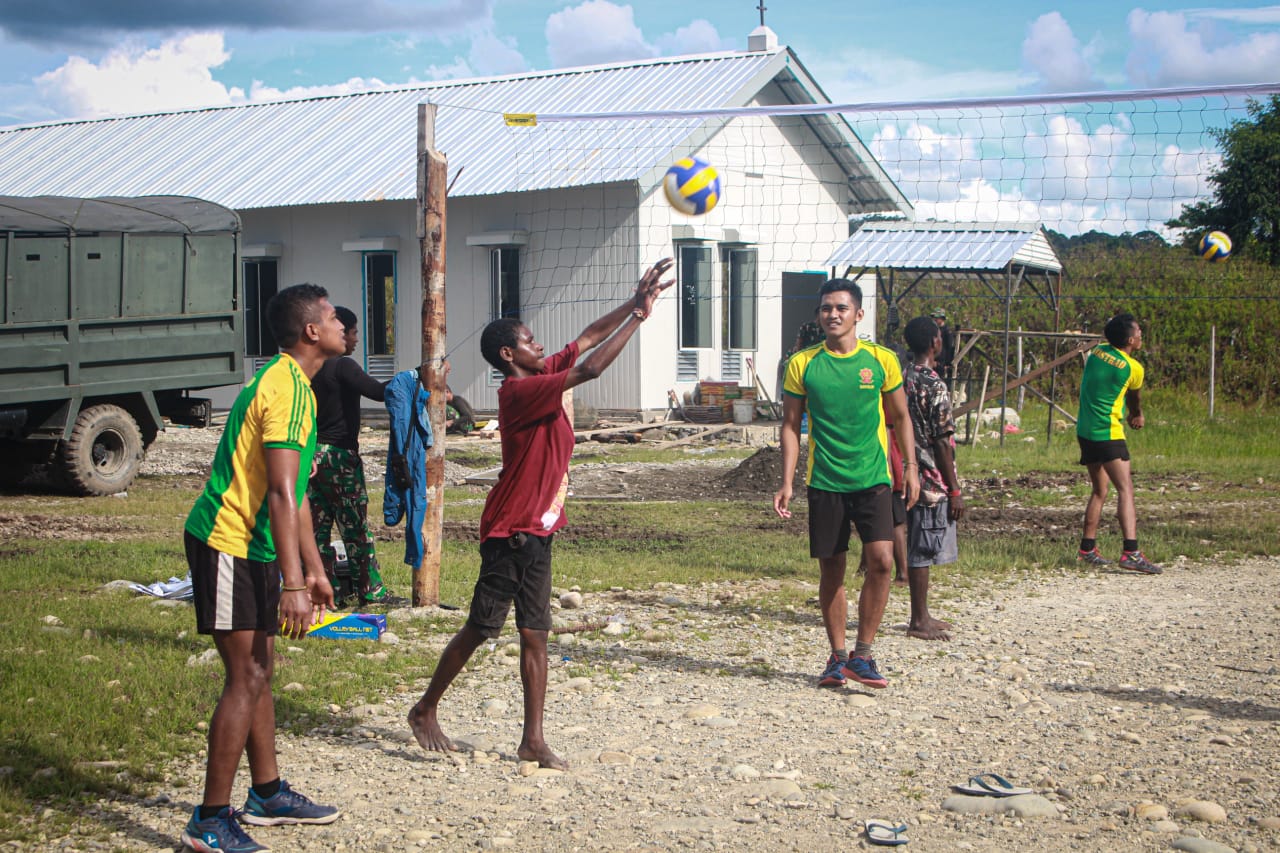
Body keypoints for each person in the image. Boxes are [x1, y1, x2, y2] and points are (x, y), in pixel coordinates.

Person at [409, 259, 674, 769]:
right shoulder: (521, 391)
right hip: (511, 530)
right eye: (530, 341)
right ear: (509, 355)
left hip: (539, 530)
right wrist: (639, 320)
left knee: (536, 632)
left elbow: (587, 338)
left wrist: (634, 302)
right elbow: (591, 367)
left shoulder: (541, 373)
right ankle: (424, 709)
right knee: (482, 628)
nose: (540, 346)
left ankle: (533, 740)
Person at [181, 283, 345, 853]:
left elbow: (294, 495)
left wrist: (314, 569)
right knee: (246, 675)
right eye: (333, 317)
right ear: (311, 331)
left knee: (261, 668)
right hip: (227, 540)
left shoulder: (294, 384)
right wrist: (293, 584)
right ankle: (209, 820)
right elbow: (279, 492)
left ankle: (268, 794)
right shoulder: (288, 387)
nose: (343, 325)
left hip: (253, 546)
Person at [774, 279, 918, 690]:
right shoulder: (803, 364)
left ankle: (863, 655)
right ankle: (838, 658)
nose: (832, 314)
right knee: (832, 570)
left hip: (873, 479)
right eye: (826, 308)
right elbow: (790, 426)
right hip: (825, 481)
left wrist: (910, 466)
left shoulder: (881, 359)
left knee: (882, 561)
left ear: (858, 314)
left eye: (840, 308)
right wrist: (787, 482)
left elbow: (900, 417)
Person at [308, 306, 404, 606]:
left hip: (310, 456)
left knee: (316, 530)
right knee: (355, 527)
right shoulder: (343, 366)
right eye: (352, 332)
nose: (355, 339)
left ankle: (327, 592)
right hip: (340, 457)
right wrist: (414, 376)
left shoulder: (309, 367)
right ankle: (370, 591)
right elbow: (379, 391)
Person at [1075, 313, 1162, 574]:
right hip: (1108, 433)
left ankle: (1087, 549)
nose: (1141, 335)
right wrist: (1137, 415)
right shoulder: (1133, 368)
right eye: (1138, 332)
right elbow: (1135, 399)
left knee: (1099, 491)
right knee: (1125, 490)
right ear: (1130, 340)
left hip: (1085, 431)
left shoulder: (1098, 352)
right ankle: (1131, 552)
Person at [902, 316, 965, 640]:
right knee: (924, 546)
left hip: (903, 469)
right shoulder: (934, 384)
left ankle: (922, 614)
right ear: (934, 343)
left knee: (914, 539)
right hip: (928, 474)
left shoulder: (903, 376)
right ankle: (919, 619)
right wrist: (954, 489)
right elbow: (942, 440)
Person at [930, 308, 956, 385]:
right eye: (934, 318)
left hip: (942, 362)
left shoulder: (947, 331)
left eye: (937, 318)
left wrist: (947, 363)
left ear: (942, 318)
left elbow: (949, 348)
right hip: (933, 359)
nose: (935, 319)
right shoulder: (933, 330)